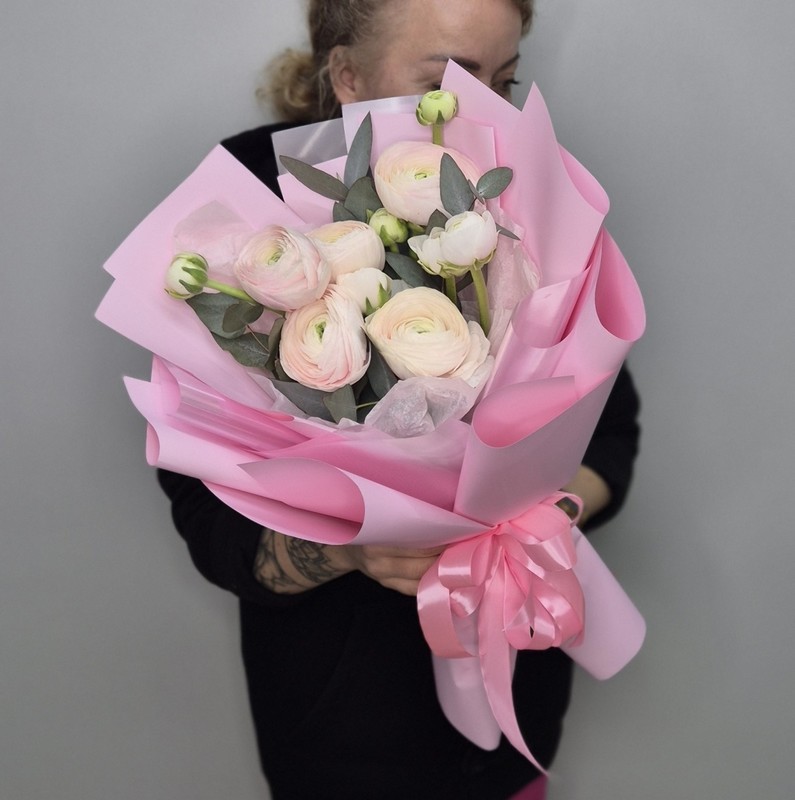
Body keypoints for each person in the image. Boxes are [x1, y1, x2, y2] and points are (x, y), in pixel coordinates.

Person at [157, 1, 641, 797]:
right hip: (340, 729)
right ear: (347, 75)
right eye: (448, 79)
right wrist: (353, 547)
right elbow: (213, 532)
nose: (480, 110)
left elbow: (611, 436)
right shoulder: (239, 224)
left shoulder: (525, 199)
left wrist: (524, 519)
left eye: (504, 81)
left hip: (517, 706)